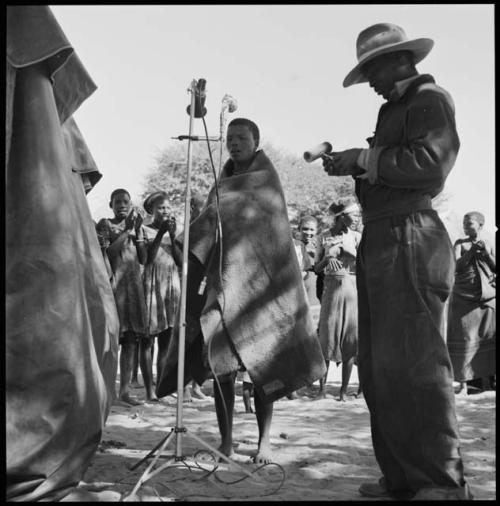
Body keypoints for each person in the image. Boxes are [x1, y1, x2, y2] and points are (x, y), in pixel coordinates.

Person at [322, 23, 472, 500]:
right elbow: (390, 164)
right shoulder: (394, 109)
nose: (370, 80)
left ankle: (441, 484)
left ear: (402, 60)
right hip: (384, 236)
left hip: (411, 234)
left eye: (373, 69)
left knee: (418, 364)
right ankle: (404, 478)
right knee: (381, 365)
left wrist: (365, 158)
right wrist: (356, 163)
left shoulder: (430, 99)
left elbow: (430, 163)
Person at [156, 117, 325, 464]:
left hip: (261, 289)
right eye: (230, 138)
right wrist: (188, 235)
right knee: (223, 368)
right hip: (224, 287)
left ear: (256, 141)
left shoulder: (267, 181)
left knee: (263, 365)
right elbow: (210, 224)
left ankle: (264, 441)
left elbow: (269, 233)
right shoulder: (222, 183)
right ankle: (227, 440)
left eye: (241, 138)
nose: (234, 143)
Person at [96, 189, 149, 406]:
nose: (122, 205)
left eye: (126, 201)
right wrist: (127, 231)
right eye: (117, 202)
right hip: (113, 288)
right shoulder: (105, 224)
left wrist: (136, 233)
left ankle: (125, 390)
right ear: (111, 204)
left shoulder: (137, 228)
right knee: (110, 340)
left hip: (133, 289)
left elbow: (144, 258)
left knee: (130, 340)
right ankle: (106, 390)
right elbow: (108, 253)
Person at [314, 198, 362, 402]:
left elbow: (365, 265)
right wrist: (328, 257)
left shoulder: (357, 237)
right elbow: (316, 268)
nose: (357, 218)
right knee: (326, 336)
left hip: (352, 290)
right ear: (342, 216)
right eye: (354, 215)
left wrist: (348, 252)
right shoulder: (323, 237)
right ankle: (322, 390)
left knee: (350, 339)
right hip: (331, 290)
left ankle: (343, 391)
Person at [447, 211, 496, 395]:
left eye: (470, 224)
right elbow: (455, 266)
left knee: (487, 337)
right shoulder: (460, 243)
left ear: (481, 225)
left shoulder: (489, 242)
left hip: (487, 296)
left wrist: (485, 253)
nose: (466, 227)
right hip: (463, 297)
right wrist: (471, 252)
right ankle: (463, 383)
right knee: (465, 338)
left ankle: (486, 382)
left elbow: (495, 267)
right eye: (464, 223)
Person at [142, 191, 182, 401]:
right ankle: (148, 389)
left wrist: (173, 235)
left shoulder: (176, 231)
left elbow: (180, 260)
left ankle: (161, 388)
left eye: (167, 207)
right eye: (160, 208)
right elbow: (147, 258)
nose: (165, 211)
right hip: (152, 285)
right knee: (148, 341)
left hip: (171, 286)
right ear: (152, 210)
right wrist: (160, 234)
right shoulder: (143, 229)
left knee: (167, 341)